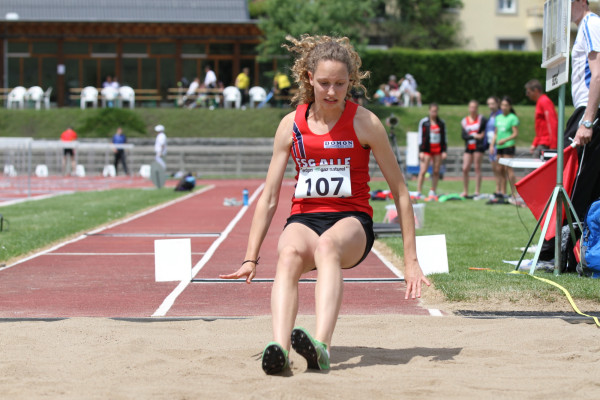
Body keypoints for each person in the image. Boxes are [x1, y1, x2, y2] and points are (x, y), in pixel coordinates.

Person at [220, 34, 429, 375]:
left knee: (327, 246)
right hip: (305, 218)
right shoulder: (290, 126)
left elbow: (401, 192)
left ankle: (321, 346)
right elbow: (269, 197)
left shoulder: (366, 123)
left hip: (351, 221)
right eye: (324, 83)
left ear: (351, 82)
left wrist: (411, 261)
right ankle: (280, 349)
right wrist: (249, 257)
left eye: (340, 84)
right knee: (288, 254)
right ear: (308, 79)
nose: (332, 92)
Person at [565, 0, 600, 221]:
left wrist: (587, 121)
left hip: (589, 112)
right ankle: (580, 239)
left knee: (574, 185)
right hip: (587, 110)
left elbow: (598, 74)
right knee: (588, 188)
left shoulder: (590, 23)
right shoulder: (585, 26)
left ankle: (564, 239)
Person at [490, 96, 518, 200]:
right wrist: (492, 145)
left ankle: (513, 193)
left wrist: (505, 140)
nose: (503, 107)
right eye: (502, 105)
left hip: (508, 146)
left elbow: (515, 133)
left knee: (508, 169)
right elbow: (496, 133)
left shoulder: (512, 118)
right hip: (499, 146)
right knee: (500, 169)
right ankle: (503, 191)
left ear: (510, 106)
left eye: (506, 105)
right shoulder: (498, 117)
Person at [416, 103, 447, 199]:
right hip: (427, 149)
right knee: (423, 170)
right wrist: (421, 150)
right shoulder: (424, 122)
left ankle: (433, 191)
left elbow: (444, 137)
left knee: (436, 171)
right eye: (432, 111)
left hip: (437, 149)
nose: (434, 113)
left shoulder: (441, 123)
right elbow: (420, 136)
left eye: (436, 111)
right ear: (429, 111)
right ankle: (419, 191)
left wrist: (444, 150)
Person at [460, 100, 487, 198]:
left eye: (475, 107)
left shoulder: (482, 119)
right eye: (471, 107)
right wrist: (474, 136)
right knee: (465, 168)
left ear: (477, 108)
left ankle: (477, 191)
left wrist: (479, 137)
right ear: (468, 108)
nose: (473, 109)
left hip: (478, 147)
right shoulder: (464, 121)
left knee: (477, 167)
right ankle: (465, 191)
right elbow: (464, 136)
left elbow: (483, 134)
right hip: (468, 147)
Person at [525, 79, 558, 158]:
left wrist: (553, 146)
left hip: (546, 143)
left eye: (528, 92)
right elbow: (540, 128)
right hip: (542, 142)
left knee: (534, 164)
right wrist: (535, 143)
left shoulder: (544, 101)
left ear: (536, 90)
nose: (527, 94)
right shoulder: (540, 101)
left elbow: (552, 123)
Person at [485, 96, 504, 199]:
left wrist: (494, 144)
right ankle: (497, 189)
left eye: (492, 104)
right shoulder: (491, 115)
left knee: (499, 168)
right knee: (494, 168)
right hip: (490, 144)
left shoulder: (500, 115)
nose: (490, 106)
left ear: (497, 103)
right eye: (489, 104)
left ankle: (501, 190)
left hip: (498, 145)